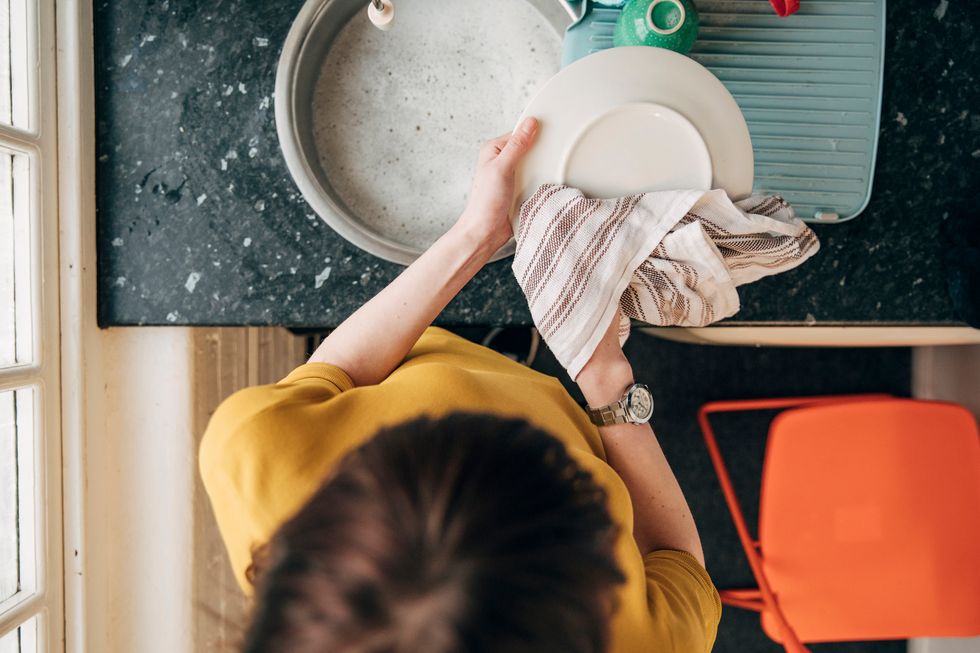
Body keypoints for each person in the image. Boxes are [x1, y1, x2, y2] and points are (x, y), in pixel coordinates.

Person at [200, 117, 721, 653]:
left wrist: (478, 233)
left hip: (428, 351)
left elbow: (342, 374)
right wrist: (607, 385)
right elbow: (677, 562)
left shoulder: (254, 454)